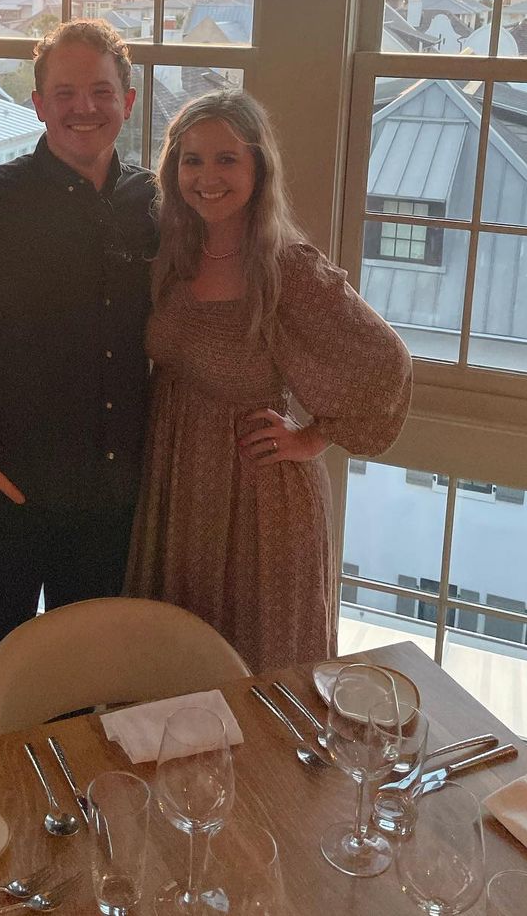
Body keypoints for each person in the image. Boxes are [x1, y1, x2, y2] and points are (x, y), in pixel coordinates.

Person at [0, 19, 156, 740]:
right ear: (38, 104)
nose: (84, 107)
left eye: (100, 91)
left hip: (110, 500)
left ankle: (64, 796)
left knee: (82, 666)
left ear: (128, 101)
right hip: (6, 494)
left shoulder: (152, 204)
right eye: (64, 92)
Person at [127, 90, 411, 673]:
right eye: (192, 159)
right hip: (177, 480)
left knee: (262, 665)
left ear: (258, 167)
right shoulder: (172, 250)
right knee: (178, 659)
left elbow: (386, 365)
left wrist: (311, 438)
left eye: (227, 159)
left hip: (258, 494)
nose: (207, 177)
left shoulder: (287, 266)